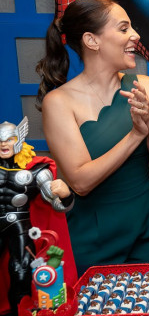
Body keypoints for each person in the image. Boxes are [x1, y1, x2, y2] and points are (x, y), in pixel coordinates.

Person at [36, 0, 149, 267]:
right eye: (123, 28)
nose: (135, 35)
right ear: (92, 40)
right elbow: (80, 183)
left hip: (146, 231)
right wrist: (135, 135)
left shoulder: (144, 86)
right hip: (93, 238)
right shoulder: (58, 102)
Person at [0, 117, 74, 314]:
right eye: (0, 140)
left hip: (18, 224)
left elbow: (57, 205)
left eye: (9, 139)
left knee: (21, 270)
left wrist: (66, 195)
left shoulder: (36, 170)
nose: (4, 144)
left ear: (19, 138)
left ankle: (20, 311)